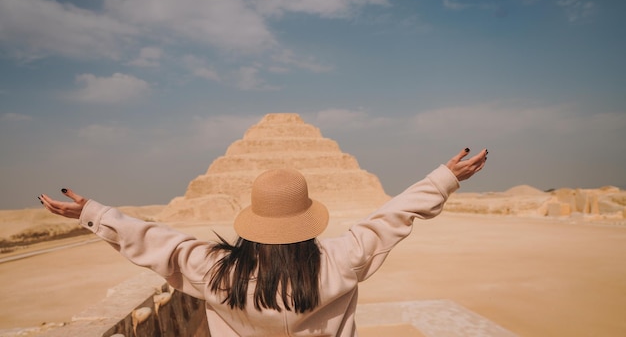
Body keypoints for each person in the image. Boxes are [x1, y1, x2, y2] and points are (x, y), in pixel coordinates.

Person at [40, 147, 487, 336]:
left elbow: (159, 243)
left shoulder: (213, 271)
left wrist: (92, 213)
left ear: (253, 222)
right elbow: (391, 216)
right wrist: (443, 178)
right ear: (308, 220)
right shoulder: (342, 260)